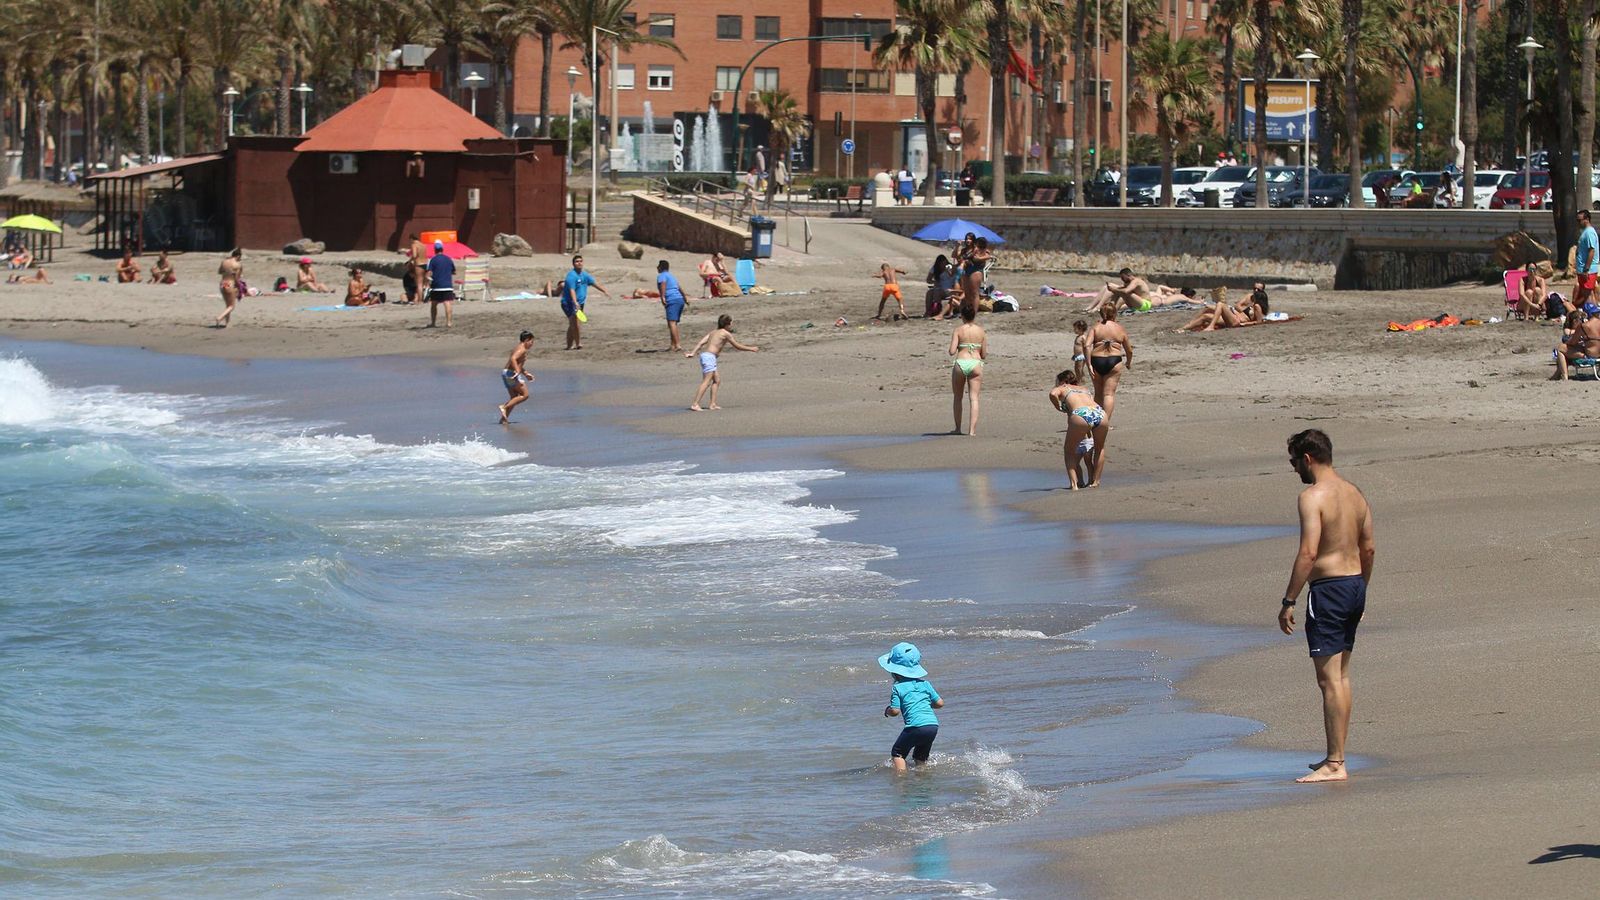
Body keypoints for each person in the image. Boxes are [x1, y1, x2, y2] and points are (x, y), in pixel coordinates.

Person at [1278, 429, 1375, 784]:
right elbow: (1369, 549)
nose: (1294, 470)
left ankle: (1336, 762)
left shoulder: (1312, 497)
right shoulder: (1355, 494)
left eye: (1293, 462)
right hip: (1353, 585)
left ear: (1307, 459)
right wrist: (1362, 589)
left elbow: (1308, 552)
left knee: (1328, 679)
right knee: (1341, 677)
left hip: (1329, 589)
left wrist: (1289, 600)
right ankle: (1336, 755)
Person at [879, 641, 943, 773]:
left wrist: (887, 710)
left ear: (894, 671)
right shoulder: (925, 684)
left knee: (898, 753)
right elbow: (939, 703)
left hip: (915, 726)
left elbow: (895, 711)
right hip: (932, 726)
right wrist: (924, 702)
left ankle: (902, 779)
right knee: (920, 757)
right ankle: (922, 779)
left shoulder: (897, 687)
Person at [1049, 369, 1108, 489]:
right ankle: (1096, 481)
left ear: (1062, 381)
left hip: (1081, 413)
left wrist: (1057, 406)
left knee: (1069, 451)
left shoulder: (1063, 387)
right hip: (1099, 412)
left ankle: (1074, 484)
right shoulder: (1084, 389)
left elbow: (1053, 394)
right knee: (1099, 447)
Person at [686, 313, 759, 410]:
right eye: (731, 323)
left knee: (717, 380)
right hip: (709, 357)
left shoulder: (713, 332)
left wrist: (693, 353)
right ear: (727, 324)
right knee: (706, 382)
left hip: (706, 356)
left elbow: (701, 343)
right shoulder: (725, 333)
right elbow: (736, 346)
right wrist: (751, 348)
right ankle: (695, 404)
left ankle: (712, 404)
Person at [1084, 303, 1130, 423]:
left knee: (1098, 394)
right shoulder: (1119, 328)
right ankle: (1105, 424)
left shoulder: (1096, 327)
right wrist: (1128, 362)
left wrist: (1088, 364)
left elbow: (1087, 345)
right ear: (1115, 313)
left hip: (1096, 360)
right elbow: (1129, 350)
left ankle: (1095, 422)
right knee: (1108, 394)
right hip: (1114, 361)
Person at [948, 305, 986, 435]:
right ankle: (972, 431)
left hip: (961, 362)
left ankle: (958, 429)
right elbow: (984, 354)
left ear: (962, 316)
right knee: (974, 398)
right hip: (975, 363)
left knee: (958, 397)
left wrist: (961, 345)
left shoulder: (958, 330)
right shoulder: (981, 331)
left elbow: (951, 351)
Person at [559, 254, 607, 349]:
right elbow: (571, 290)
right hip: (569, 303)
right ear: (573, 264)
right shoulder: (571, 276)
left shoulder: (585, 275)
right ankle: (578, 343)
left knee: (573, 324)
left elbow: (594, 283)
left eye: (581, 261)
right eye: (577, 261)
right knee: (575, 323)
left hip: (580, 303)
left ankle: (569, 346)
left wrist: (604, 291)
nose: (579, 263)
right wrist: (575, 302)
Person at [498, 330, 536, 424]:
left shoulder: (518, 348)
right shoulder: (521, 349)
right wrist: (518, 371)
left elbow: (518, 363)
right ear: (526, 340)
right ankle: (504, 407)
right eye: (531, 342)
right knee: (524, 395)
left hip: (506, 373)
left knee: (514, 397)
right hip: (511, 374)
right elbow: (513, 359)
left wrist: (525, 373)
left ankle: (503, 419)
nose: (532, 344)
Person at [1553, 308, 1600, 380]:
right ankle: (1557, 375)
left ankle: (1564, 377)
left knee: (1561, 348)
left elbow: (1572, 342)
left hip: (1591, 355)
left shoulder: (1584, 326)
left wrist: (1566, 343)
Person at [1087, 267, 1152, 314]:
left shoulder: (1136, 281)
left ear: (1128, 275)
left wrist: (1114, 289)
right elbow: (1119, 288)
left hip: (1145, 305)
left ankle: (1101, 308)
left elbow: (1126, 291)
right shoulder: (1128, 283)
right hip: (1136, 304)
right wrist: (1111, 288)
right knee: (1110, 288)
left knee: (1123, 293)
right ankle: (1092, 307)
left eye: (1123, 277)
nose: (1122, 279)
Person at [656, 259, 688, 351]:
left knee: (672, 323)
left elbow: (663, 284)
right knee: (672, 323)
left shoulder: (661, 276)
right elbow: (678, 287)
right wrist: (684, 297)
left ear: (661, 268)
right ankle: (672, 345)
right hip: (679, 300)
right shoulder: (672, 276)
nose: (657, 268)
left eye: (658, 266)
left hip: (672, 299)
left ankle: (677, 345)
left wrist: (662, 296)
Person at [426, 240, 456, 327]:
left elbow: (429, 273)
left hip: (437, 286)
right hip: (447, 285)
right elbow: (453, 271)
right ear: (442, 249)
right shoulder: (449, 259)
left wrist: (427, 280)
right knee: (447, 303)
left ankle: (433, 323)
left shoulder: (433, 260)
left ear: (435, 249)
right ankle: (449, 322)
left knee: (434, 304)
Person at [959, 237, 992, 313]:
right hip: (967, 270)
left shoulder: (984, 252)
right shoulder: (973, 250)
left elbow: (976, 259)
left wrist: (974, 254)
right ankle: (968, 310)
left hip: (976, 271)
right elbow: (964, 257)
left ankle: (974, 311)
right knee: (967, 293)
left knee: (974, 293)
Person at [1575, 209, 1599, 307]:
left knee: (1587, 296)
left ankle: (1594, 316)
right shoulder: (1585, 232)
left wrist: (1586, 269)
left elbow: (1591, 251)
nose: (1578, 223)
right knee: (1586, 294)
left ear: (1587, 219)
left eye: (1579, 220)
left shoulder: (1589, 233)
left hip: (1587, 271)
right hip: (1582, 269)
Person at [215, 248, 243, 328]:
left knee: (227, 305)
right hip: (230, 283)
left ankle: (227, 324)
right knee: (231, 306)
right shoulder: (237, 265)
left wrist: (227, 271)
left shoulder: (224, 262)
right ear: (238, 256)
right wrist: (239, 287)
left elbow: (219, 272)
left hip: (223, 283)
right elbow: (237, 278)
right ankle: (219, 318)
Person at [404, 233, 427, 304]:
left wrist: (409, 261)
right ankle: (421, 298)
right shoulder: (423, 245)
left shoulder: (414, 245)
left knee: (419, 284)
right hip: (425, 264)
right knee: (423, 283)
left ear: (411, 239)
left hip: (419, 264)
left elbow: (414, 255)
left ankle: (420, 300)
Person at [1071, 319, 1090, 385]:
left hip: (1081, 356)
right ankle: (1079, 379)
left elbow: (1086, 347)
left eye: (1075, 329)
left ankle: (1080, 381)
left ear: (1081, 329)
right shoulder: (1078, 337)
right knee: (1076, 368)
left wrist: (1087, 355)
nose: (1074, 330)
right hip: (1077, 356)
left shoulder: (1083, 337)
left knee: (1079, 368)